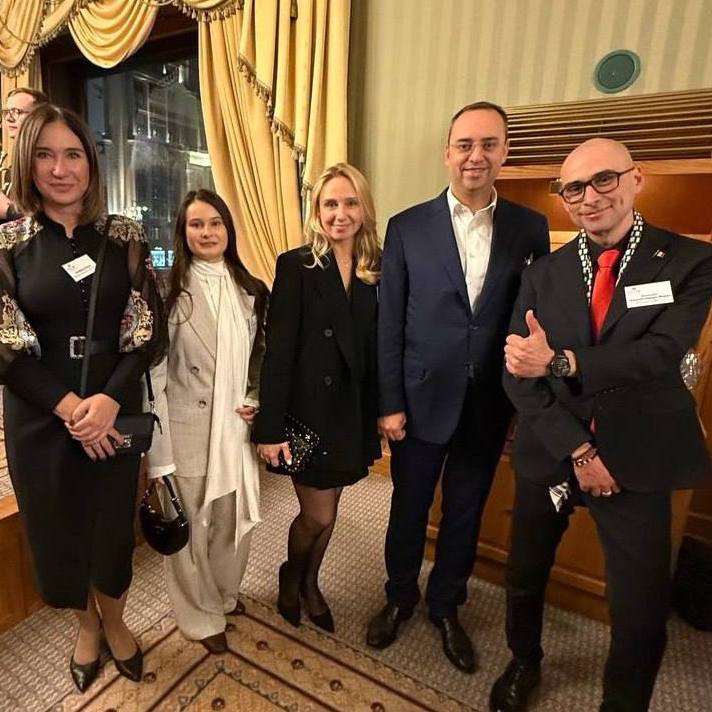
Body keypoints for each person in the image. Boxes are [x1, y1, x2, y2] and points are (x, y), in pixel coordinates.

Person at [491, 138, 712, 712]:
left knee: (640, 610)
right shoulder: (542, 273)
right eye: (574, 188)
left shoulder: (689, 261)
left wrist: (562, 362)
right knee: (524, 573)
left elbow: (660, 355)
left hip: (636, 457)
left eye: (603, 180)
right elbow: (518, 373)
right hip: (554, 449)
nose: (589, 198)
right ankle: (523, 660)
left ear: (636, 179)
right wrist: (580, 451)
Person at [368, 101, 550, 673]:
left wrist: (523, 401)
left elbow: (531, 318)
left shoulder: (530, 228)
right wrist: (389, 403)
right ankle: (399, 597)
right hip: (418, 400)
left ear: (504, 152)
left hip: (488, 403)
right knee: (408, 507)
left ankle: (446, 605)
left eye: (488, 144)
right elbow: (390, 323)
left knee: (465, 513)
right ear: (447, 153)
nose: (476, 155)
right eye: (465, 144)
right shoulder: (406, 226)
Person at [0, 105, 164, 692]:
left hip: (113, 408)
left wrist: (109, 403)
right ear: (27, 163)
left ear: (91, 164)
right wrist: (73, 409)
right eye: (45, 155)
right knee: (57, 533)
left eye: (73, 154)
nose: (60, 169)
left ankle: (115, 622)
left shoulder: (125, 237)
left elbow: (148, 330)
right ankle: (86, 628)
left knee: (110, 530)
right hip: (40, 417)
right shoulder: (8, 243)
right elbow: (4, 348)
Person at [253, 163, 381, 633]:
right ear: (317, 210)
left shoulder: (378, 267)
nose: (340, 214)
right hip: (307, 413)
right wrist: (269, 428)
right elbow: (279, 351)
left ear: (364, 209)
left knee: (330, 512)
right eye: (330, 204)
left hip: (352, 412)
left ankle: (310, 583)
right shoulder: (296, 265)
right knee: (317, 513)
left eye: (350, 203)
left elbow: (381, 346)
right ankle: (292, 576)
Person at [145, 189, 267, 654]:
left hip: (236, 428)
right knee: (192, 528)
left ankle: (222, 594)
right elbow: (154, 376)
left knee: (231, 521)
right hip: (188, 428)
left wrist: (255, 397)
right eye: (196, 224)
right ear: (183, 232)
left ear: (228, 229)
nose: (208, 232)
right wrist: (159, 456)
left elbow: (260, 358)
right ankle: (197, 616)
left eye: (215, 223)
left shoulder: (250, 289)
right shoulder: (167, 292)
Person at [0, 87, 48, 222]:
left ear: (39, 118)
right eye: (6, 112)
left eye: (17, 112)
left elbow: (52, 218)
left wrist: (8, 210)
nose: (8, 118)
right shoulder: (14, 165)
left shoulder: (48, 161)